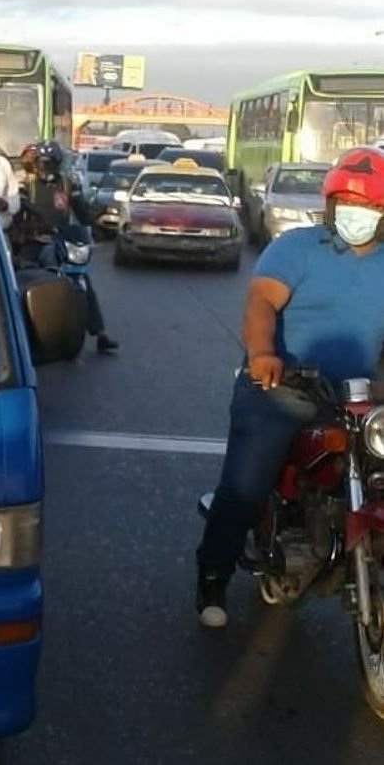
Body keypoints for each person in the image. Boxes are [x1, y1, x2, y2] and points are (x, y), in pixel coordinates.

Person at [195, 146, 384, 628]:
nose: (357, 214)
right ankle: (213, 575)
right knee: (246, 485)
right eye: (348, 204)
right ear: (331, 205)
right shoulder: (297, 247)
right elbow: (261, 303)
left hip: (359, 397)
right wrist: (263, 354)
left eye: (368, 205)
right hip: (284, 386)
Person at [20, 140, 120, 354]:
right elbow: (17, 209)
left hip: (62, 240)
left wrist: (96, 220)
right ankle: (19, 333)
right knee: (18, 279)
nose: (46, 167)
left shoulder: (67, 184)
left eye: (50, 163)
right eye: (42, 162)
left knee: (82, 280)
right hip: (33, 241)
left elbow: (81, 211)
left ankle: (99, 333)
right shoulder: (26, 185)